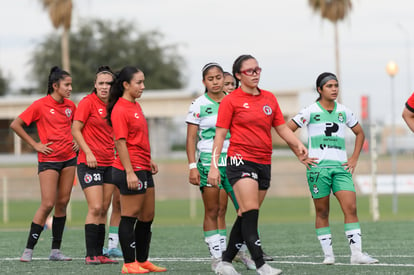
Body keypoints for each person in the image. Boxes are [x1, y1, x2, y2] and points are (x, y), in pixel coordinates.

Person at [208, 55, 307, 275]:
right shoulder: (230, 100)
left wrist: (298, 144)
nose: (255, 74)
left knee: (245, 214)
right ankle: (261, 264)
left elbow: (281, 128)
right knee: (251, 210)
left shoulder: (269, 98)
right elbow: (220, 135)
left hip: (263, 162)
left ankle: (224, 263)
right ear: (238, 75)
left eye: (257, 70)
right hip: (239, 160)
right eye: (250, 71)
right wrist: (214, 166)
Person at [287, 72, 379, 265]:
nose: (334, 89)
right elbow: (287, 130)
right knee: (322, 212)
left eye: (336, 85)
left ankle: (357, 255)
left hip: (341, 169)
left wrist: (353, 158)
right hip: (318, 169)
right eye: (329, 86)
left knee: (351, 208)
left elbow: (360, 133)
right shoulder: (310, 111)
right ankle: (328, 256)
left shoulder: (344, 111)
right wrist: (300, 155)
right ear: (320, 90)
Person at [186, 63, 255, 272]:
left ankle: (238, 252)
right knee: (213, 209)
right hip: (209, 162)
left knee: (245, 210)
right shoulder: (198, 104)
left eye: (218, 78)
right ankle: (217, 258)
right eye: (211, 79)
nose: (215, 82)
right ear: (204, 82)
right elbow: (190, 138)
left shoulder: (233, 101)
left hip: (234, 161)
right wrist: (192, 166)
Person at [11, 66, 77, 262]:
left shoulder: (71, 106)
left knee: (62, 203)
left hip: (69, 159)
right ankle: (28, 250)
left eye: (71, 84)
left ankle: (55, 251)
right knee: (48, 203)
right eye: (67, 84)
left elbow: (78, 127)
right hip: (49, 160)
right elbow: (16, 124)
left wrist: (77, 141)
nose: (70, 88)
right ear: (55, 86)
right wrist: (35, 145)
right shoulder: (40, 105)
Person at [106, 66, 167, 274]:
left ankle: (142, 260)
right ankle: (129, 263)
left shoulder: (136, 106)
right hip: (128, 169)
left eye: (143, 82)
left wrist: (148, 160)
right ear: (126, 85)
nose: (143, 86)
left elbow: (137, 139)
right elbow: (121, 143)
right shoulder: (120, 108)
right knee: (129, 215)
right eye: (139, 82)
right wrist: (130, 172)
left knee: (148, 216)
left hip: (143, 166)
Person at [71, 66, 119, 265]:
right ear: (95, 85)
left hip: (110, 163)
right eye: (101, 83)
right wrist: (88, 152)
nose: (105, 87)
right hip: (89, 163)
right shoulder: (87, 102)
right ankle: (90, 255)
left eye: (109, 83)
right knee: (96, 206)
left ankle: (100, 254)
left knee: (104, 208)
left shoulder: (116, 105)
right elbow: (75, 129)